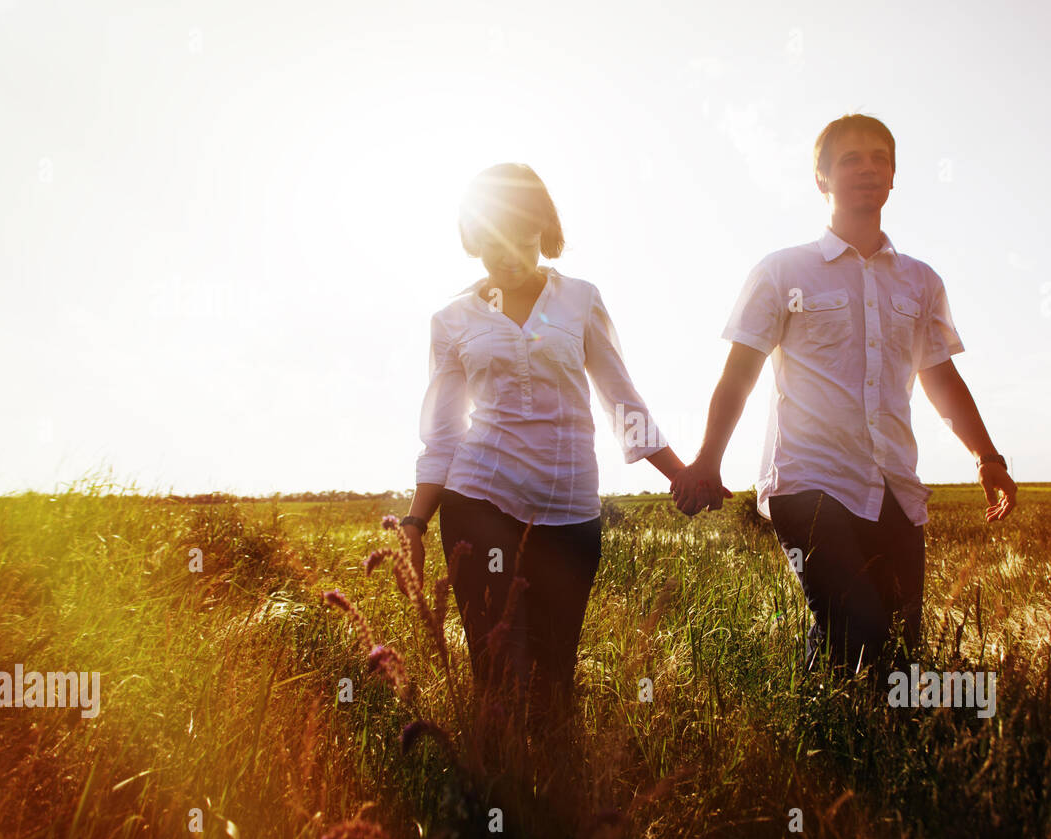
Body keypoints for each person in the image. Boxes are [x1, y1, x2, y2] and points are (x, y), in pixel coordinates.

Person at [671, 114, 1017, 694]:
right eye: (851, 159)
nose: (867, 168)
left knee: (900, 649)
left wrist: (987, 456)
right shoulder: (783, 271)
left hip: (893, 487)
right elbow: (739, 374)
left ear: (892, 178)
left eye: (879, 158)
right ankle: (820, 747)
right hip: (809, 481)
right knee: (856, 624)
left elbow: (941, 378)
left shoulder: (920, 281)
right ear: (822, 178)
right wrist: (708, 459)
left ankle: (848, 746)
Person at [400, 163, 696, 741]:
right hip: (479, 499)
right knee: (496, 661)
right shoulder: (451, 320)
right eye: (491, 239)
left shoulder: (580, 300)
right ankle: (495, 797)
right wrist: (416, 519)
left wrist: (681, 474)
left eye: (521, 232)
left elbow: (619, 397)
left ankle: (556, 795)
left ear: (544, 227)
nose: (507, 250)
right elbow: (442, 433)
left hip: (568, 508)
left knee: (555, 670)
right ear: (473, 239)